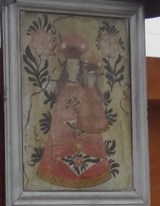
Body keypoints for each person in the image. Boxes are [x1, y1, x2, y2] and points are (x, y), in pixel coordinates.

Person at [36, 35, 111, 187]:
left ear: (80, 67)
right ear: (66, 67)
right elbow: (58, 116)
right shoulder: (62, 89)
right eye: (70, 65)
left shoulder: (85, 89)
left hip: (85, 133)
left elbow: (92, 112)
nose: (73, 69)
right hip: (64, 135)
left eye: (76, 65)